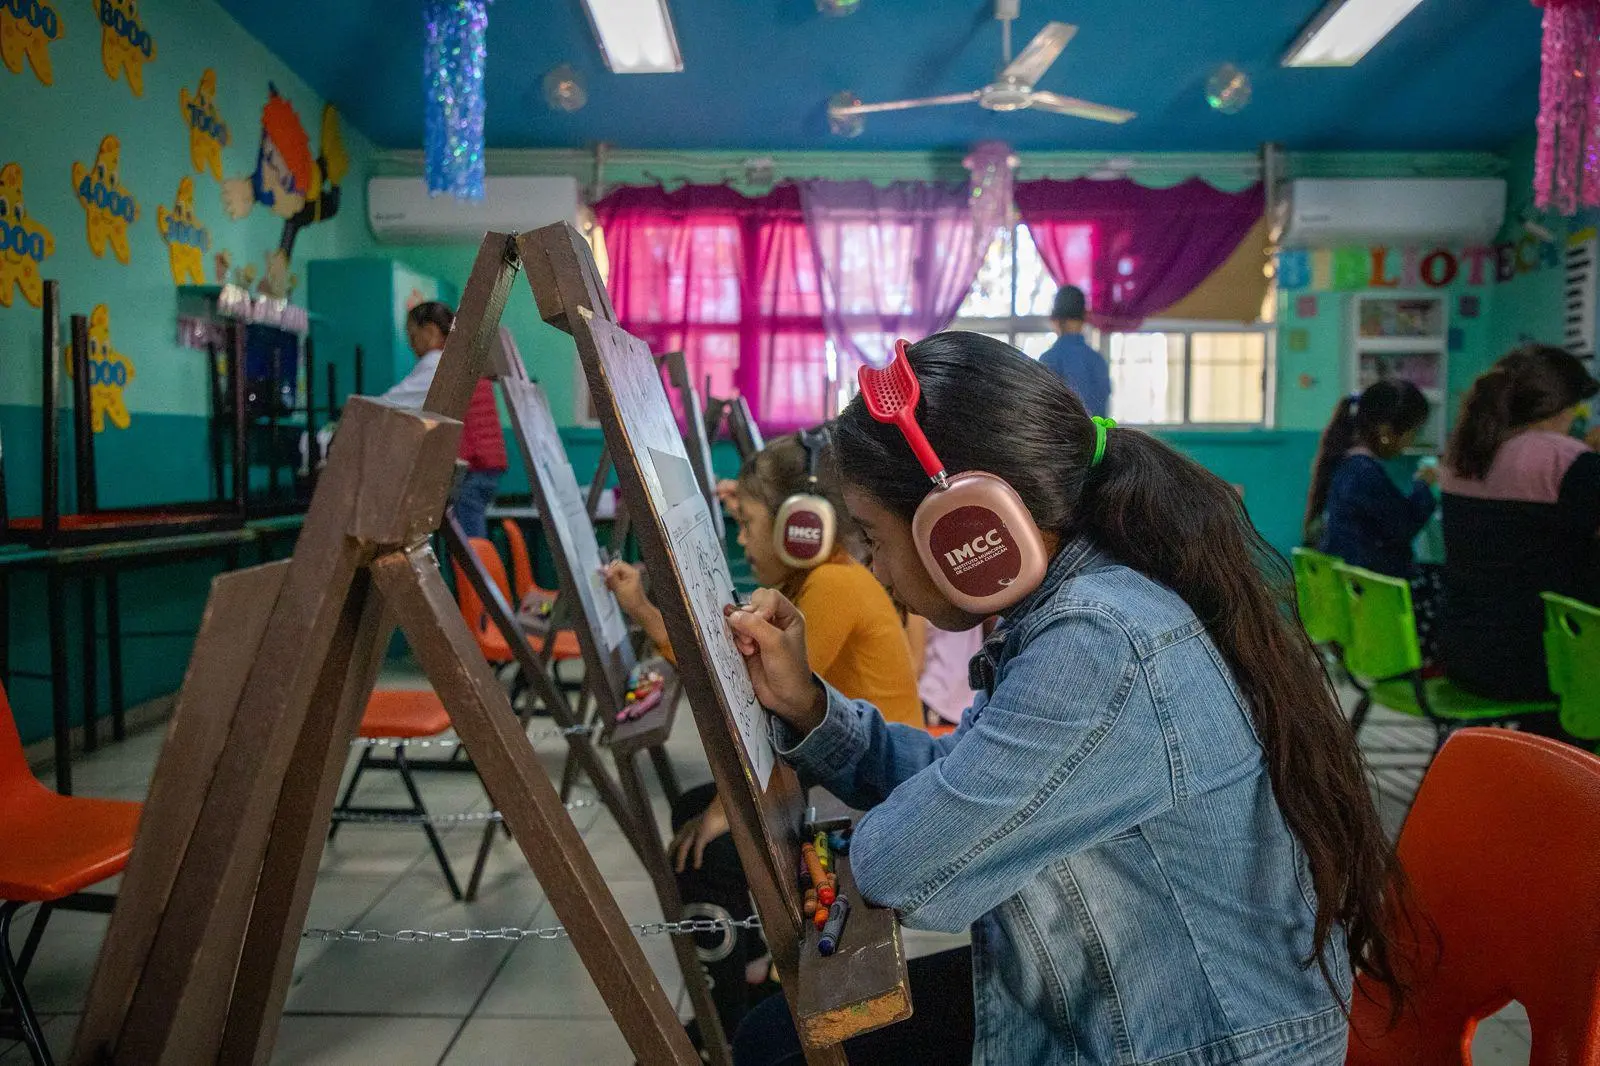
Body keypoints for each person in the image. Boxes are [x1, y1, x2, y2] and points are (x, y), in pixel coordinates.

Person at [722, 333, 1402, 1066]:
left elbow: (899, 866)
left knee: (785, 1052)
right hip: (1127, 999)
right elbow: (958, 776)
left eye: (871, 536)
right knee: (774, 1037)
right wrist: (813, 710)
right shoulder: (1077, 602)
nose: (874, 567)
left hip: (1204, 1043)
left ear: (963, 528)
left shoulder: (1099, 640)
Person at [602, 431, 921, 1048]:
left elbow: (752, 699)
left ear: (800, 526)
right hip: (832, 781)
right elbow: (732, 675)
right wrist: (644, 609)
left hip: (865, 798)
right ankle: (746, 988)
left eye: (748, 524)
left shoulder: (831, 588)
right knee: (695, 812)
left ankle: (732, 1020)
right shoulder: (811, 583)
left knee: (712, 850)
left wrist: (733, 807)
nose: (742, 540)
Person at [1440, 344, 1600, 704]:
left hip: (1462, 651)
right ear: (1563, 405)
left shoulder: (1461, 454)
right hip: (1544, 662)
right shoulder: (1568, 461)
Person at [1303, 381, 1441, 658]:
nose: (1411, 441)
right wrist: (1424, 486)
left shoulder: (1349, 465)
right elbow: (1404, 525)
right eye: (1412, 432)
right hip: (1372, 588)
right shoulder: (1363, 472)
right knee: (1442, 583)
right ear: (1387, 433)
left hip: (1358, 579)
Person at [378, 301, 507, 538]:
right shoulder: (465, 355)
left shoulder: (439, 361)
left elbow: (392, 403)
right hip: (488, 462)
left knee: (470, 553)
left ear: (430, 332)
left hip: (472, 466)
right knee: (475, 546)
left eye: (413, 335)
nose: (410, 344)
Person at [1037, 284, 1111, 418]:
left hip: (1059, 438)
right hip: (1097, 438)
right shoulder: (1098, 361)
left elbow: (1044, 416)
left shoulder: (1048, 360)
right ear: (1085, 317)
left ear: (1054, 318)